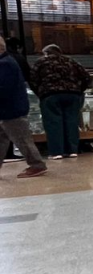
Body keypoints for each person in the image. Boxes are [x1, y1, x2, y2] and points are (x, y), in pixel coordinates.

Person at [30, 44, 91, 160]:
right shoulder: (71, 61)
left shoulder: (41, 62)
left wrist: (40, 92)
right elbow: (86, 77)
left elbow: (32, 79)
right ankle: (72, 150)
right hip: (72, 95)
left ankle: (56, 152)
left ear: (46, 53)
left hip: (50, 95)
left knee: (53, 123)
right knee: (72, 122)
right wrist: (78, 90)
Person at [0, 37, 47, 178]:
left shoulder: (4, 64)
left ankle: (37, 165)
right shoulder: (7, 61)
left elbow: (3, 88)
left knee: (21, 138)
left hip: (11, 109)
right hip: (6, 109)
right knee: (1, 139)